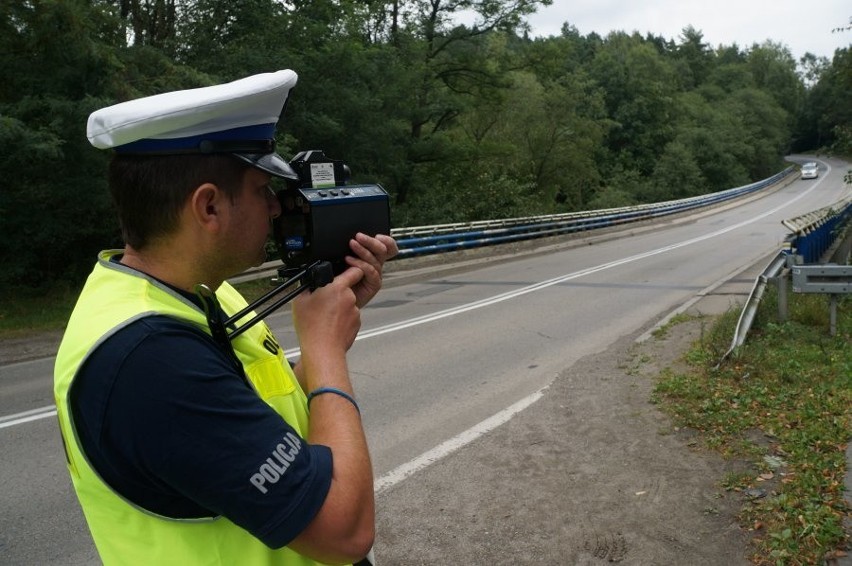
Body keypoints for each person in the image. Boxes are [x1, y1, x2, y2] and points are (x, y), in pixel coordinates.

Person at [53, 70, 398, 566]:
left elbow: (245, 414)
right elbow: (344, 530)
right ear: (209, 206)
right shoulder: (147, 359)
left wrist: (334, 330)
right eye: (263, 190)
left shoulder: (199, 295)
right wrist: (323, 351)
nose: (279, 208)